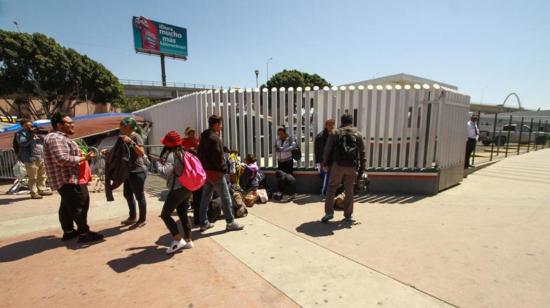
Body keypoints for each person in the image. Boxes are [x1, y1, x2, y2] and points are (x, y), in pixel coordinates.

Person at [43, 112, 104, 243]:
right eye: (69, 123)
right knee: (80, 204)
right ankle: (84, 233)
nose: (72, 125)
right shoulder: (55, 138)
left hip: (69, 178)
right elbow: (62, 158)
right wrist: (83, 158)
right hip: (68, 178)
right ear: (59, 125)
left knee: (67, 206)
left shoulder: (59, 137)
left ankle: (69, 231)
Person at [197, 115, 244, 232]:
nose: (221, 127)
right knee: (226, 197)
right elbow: (218, 156)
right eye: (220, 124)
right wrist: (223, 170)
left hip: (206, 172)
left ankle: (203, 223)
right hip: (216, 173)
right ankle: (230, 222)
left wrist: (228, 150)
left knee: (205, 198)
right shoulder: (214, 138)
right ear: (216, 125)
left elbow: (202, 152)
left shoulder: (204, 136)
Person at [321, 113, 366, 223]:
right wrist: (361, 170)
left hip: (338, 165)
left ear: (342, 121)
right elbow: (362, 153)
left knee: (331, 188)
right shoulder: (358, 134)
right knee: (349, 190)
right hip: (352, 166)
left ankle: (329, 213)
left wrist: (325, 163)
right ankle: (348, 215)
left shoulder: (335, 133)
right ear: (351, 122)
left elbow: (327, 150)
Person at [156, 131, 194, 254]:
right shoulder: (184, 153)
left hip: (177, 189)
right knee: (182, 213)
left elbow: (163, 173)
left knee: (165, 215)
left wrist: (157, 162)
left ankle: (178, 240)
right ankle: (188, 240)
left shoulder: (172, 156)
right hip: (187, 187)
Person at [118, 117, 148, 229]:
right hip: (128, 171)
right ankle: (132, 217)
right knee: (127, 194)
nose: (120, 128)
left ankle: (142, 219)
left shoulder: (135, 136)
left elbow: (141, 152)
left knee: (139, 196)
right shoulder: (123, 137)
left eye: (122, 126)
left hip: (137, 171)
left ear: (129, 127)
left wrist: (131, 142)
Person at [15, 118, 52, 199]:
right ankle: (33, 192)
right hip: (30, 158)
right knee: (33, 177)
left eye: (30, 125)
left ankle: (41, 190)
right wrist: (31, 136)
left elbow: (44, 140)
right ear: (22, 126)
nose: (29, 127)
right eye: (27, 126)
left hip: (41, 156)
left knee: (42, 175)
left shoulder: (36, 131)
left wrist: (39, 133)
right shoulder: (21, 133)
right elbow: (22, 143)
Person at [314, 119, 335, 196]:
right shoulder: (321, 136)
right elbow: (318, 151)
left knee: (327, 177)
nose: (332, 126)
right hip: (324, 161)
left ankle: (326, 192)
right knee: (326, 176)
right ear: (326, 126)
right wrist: (322, 163)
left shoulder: (334, 135)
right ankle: (324, 192)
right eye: (330, 125)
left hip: (332, 160)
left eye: (333, 125)